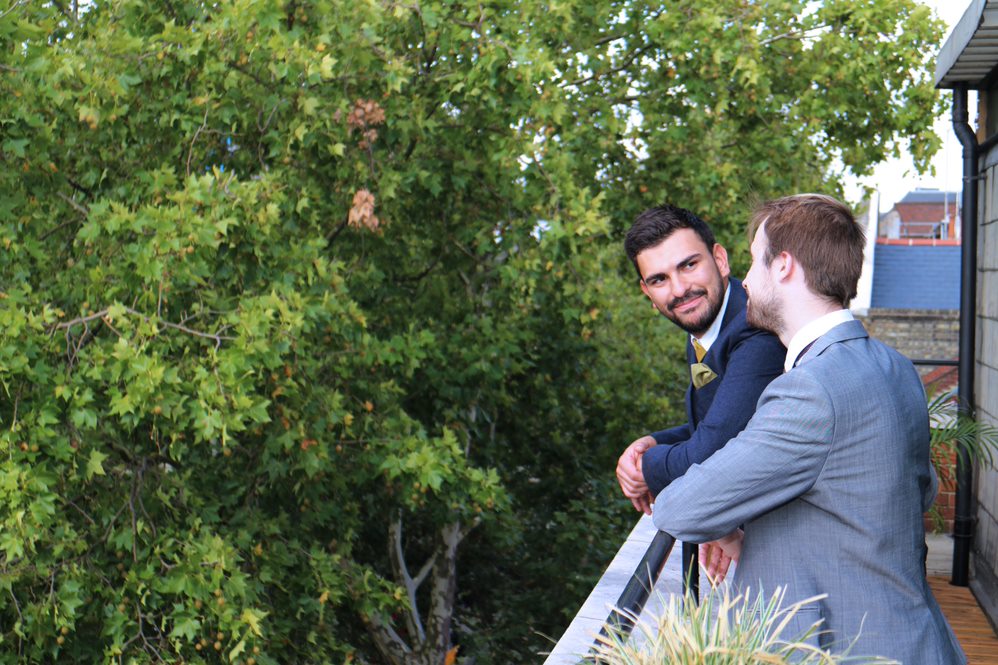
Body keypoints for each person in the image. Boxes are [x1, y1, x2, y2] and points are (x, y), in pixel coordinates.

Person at [652, 194, 965, 663]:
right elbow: (915, 491)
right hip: (917, 640)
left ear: (782, 266)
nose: (745, 282)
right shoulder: (895, 366)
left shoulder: (810, 390)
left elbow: (679, 510)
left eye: (753, 264)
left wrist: (727, 516)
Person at [616, 204, 784, 512]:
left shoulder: (755, 331)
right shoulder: (705, 323)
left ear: (720, 260)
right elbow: (724, 421)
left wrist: (644, 468)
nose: (680, 289)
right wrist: (651, 444)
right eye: (659, 280)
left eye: (689, 265)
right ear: (647, 293)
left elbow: (711, 451)